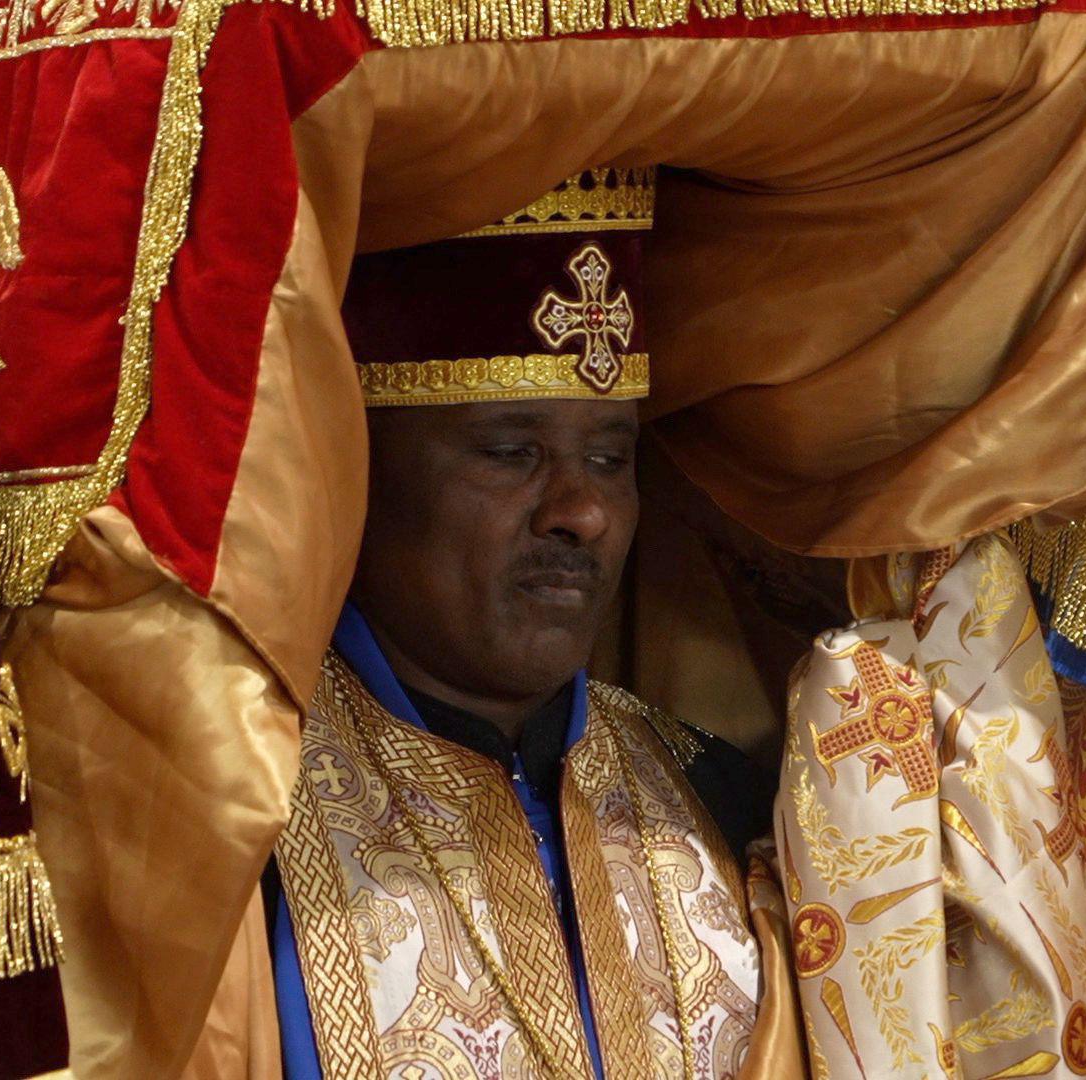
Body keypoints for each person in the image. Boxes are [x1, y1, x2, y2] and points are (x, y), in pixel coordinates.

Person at [264, 167, 793, 1079]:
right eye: (510, 454)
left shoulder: (717, 795)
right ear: (362, 474)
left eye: (610, 458)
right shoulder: (246, 807)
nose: (582, 512)